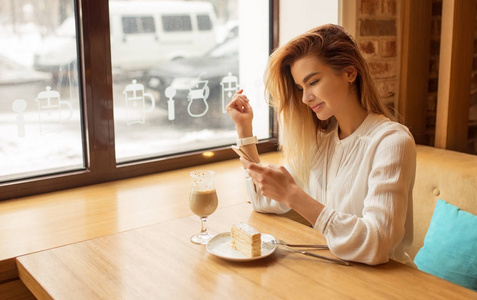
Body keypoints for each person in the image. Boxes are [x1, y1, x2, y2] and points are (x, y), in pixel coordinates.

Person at [226, 24, 416, 266]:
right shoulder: (321, 142)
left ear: (350, 73)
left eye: (313, 82)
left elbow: (377, 244)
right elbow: (263, 201)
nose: (305, 98)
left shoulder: (391, 142)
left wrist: (294, 196)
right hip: (336, 274)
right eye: (300, 88)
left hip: (389, 283)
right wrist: (244, 129)